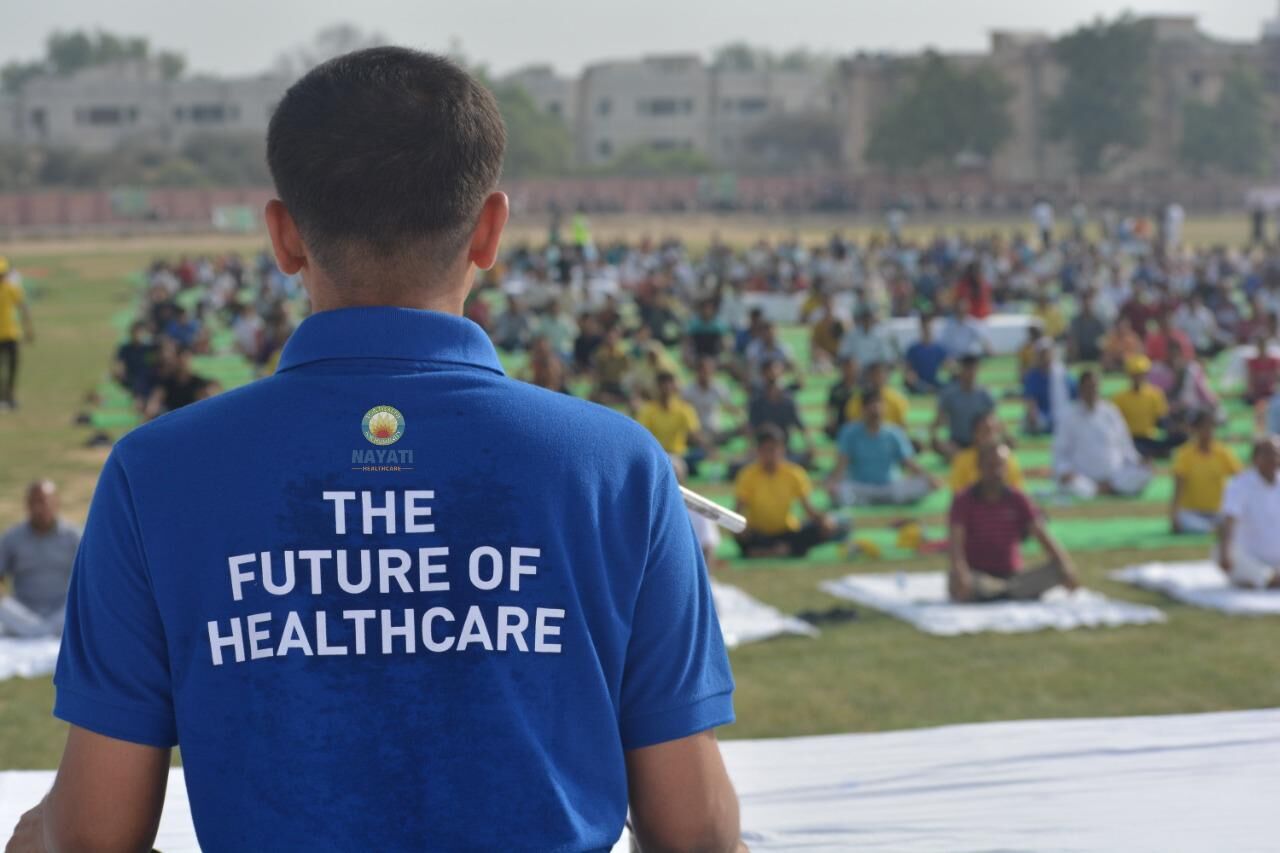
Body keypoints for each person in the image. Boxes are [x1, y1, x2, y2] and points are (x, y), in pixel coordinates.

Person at [6, 50, 744, 853]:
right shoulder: (615, 464)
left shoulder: (157, 472)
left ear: (283, 235)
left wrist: (35, 834)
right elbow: (697, 834)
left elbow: (94, 837)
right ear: (490, 230)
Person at [948, 443, 1079, 602]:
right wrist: (961, 572)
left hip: (1014, 575)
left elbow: (1042, 534)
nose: (997, 471)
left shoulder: (1018, 499)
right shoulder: (963, 500)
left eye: (1001, 465)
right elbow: (955, 544)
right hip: (978, 575)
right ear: (979, 467)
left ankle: (1003, 590)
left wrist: (1065, 566)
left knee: (1057, 571)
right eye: (991, 465)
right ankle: (1007, 591)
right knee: (961, 581)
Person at [733, 426, 842, 558]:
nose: (771, 454)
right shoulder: (748, 475)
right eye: (766, 450)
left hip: (787, 531)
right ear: (759, 451)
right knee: (736, 528)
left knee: (826, 527)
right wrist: (740, 529)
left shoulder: (794, 473)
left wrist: (823, 521)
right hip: (758, 532)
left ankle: (766, 552)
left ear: (782, 450)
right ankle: (783, 550)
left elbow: (808, 509)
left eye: (774, 449)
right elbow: (738, 510)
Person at [830, 389, 937, 507]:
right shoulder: (849, 432)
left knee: (922, 484)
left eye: (878, 406)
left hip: (890, 485)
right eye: (871, 407)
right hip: (861, 486)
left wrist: (929, 479)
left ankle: (869, 501)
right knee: (838, 491)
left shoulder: (894, 432)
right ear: (863, 409)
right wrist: (834, 483)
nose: (875, 411)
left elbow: (909, 462)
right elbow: (842, 463)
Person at [1053, 370, 1152, 497]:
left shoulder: (1111, 412)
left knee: (1145, 472)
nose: (1092, 391)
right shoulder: (1068, 415)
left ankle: (1106, 488)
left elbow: (1125, 444)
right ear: (1080, 389)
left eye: (1094, 387)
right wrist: (1065, 471)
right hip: (1083, 477)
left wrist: (1138, 460)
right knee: (1072, 484)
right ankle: (1103, 490)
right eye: (1088, 387)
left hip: (1115, 475)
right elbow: (1060, 452)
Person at [0, 481, 80, 638]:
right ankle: (44, 632)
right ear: (28, 505)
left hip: (61, 611)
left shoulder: (74, 537)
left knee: (82, 606)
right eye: (35, 502)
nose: (41, 507)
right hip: (24, 612)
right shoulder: (12, 538)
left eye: (45, 501)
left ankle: (36, 632)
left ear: (56, 503)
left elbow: (91, 575)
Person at [1218, 437, 1280, 589]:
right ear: (1255, 458)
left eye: (1276, 453)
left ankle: (1269, 578)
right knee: (1223, 553)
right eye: (1267, 453)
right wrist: (1225, 552)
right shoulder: (1239, 484)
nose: (1273, 458)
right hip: (1250, 557)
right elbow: (1229, 520)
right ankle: (1267, 578)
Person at [1170, 411, 1241, 534]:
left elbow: (1241, 478)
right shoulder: (1184, 454)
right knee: (1185, 522)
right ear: (1194, 429)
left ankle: (1215, 528)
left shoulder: (1223, 452)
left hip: (1218, 511)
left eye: (1211, 427)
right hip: (1191, 512)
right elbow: (1178, 488)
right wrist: (1174, 515)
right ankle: (1214, 529)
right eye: (1204, 427)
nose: (1208, 431)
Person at [746, 359, 813, 469]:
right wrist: (751, 449)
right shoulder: (756, 402)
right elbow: (751, 427)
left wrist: (810, 445)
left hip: (784, 450)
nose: (772, 373)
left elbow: (800, 425)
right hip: (762, 451)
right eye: (768, 371)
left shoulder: (788, 402)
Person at [930, 354, 996, 460]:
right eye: (967, 368)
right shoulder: (949, 394)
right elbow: (939, 418)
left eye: (973, 369)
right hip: (957, 442)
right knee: (946, 449)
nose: (971, 373)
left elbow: (993, 420)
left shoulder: (985, 394)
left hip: (980, 442)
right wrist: (934, 438)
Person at [1112, 354, 1177, 459]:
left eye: (1141, 374)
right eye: (1135, 375)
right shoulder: (1120, 399)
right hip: (1130, 439)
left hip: (1150, 438)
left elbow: (1161, 419)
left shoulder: (1155, 394)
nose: (1138, 378)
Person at [949, 411, 1025, 494]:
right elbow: (958, 493)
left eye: (994, 430)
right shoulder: (963, 460)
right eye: (986, 430)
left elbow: (1017, 491)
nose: (990, 435)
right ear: (975, 433)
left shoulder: (1007, 458)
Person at [637, 371, 702, 462]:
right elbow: (641, 435)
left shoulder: (685, 409)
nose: (666, 388)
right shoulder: (647, 410)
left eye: (669, 384)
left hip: (680, 454)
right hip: (656, 455)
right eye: (663, 384)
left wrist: (710, 450)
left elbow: (695, 434)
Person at [0, 256, 35, 410]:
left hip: (11, 334)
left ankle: (9, 397)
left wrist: (28, 329)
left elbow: (22, 307)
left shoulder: (11, 289)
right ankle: (3, 397)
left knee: (12, 368)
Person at [1021, 339, 1073, 435]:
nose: (1045, 357)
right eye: (1042, 354)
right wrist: (1033, 415)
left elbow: (1075, 393)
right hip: (1044, 417)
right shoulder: (1032, 376)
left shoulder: (1062, 373)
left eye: (1047, 353)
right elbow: (1031, 401)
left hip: (1063, 415)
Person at [843, 360, 909, 428]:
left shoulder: (897, 399)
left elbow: (903, 424)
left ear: (887, 376)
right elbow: (851, 421)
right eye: (874, 374)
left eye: (880, 374)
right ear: (868, 377)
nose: (877, 378)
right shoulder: (857, 398)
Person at [903, 314, 948, 393]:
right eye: (924, 327)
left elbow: (948, 366)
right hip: (918, 383)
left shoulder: (939, 348)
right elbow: (908, 370)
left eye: (929, 327)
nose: (927, 330)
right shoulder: (913, 349)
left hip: (934, 382)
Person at [1066, 290, 1106, 363]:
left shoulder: (1099, 322)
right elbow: (1072, 339)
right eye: (1085, 302)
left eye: (1089, 302)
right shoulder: (1075, 321)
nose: (1087, 304)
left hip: (1095, 355)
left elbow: (1103, 340)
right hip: (1079, 355)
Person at [825, 356, 859, 439]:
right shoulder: (836, 389)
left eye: (851, 367)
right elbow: (830, 407)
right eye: (846, 367)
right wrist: (831, 422)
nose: (849, 370)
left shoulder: (862, 387)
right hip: (842, 424)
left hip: (859, 424)